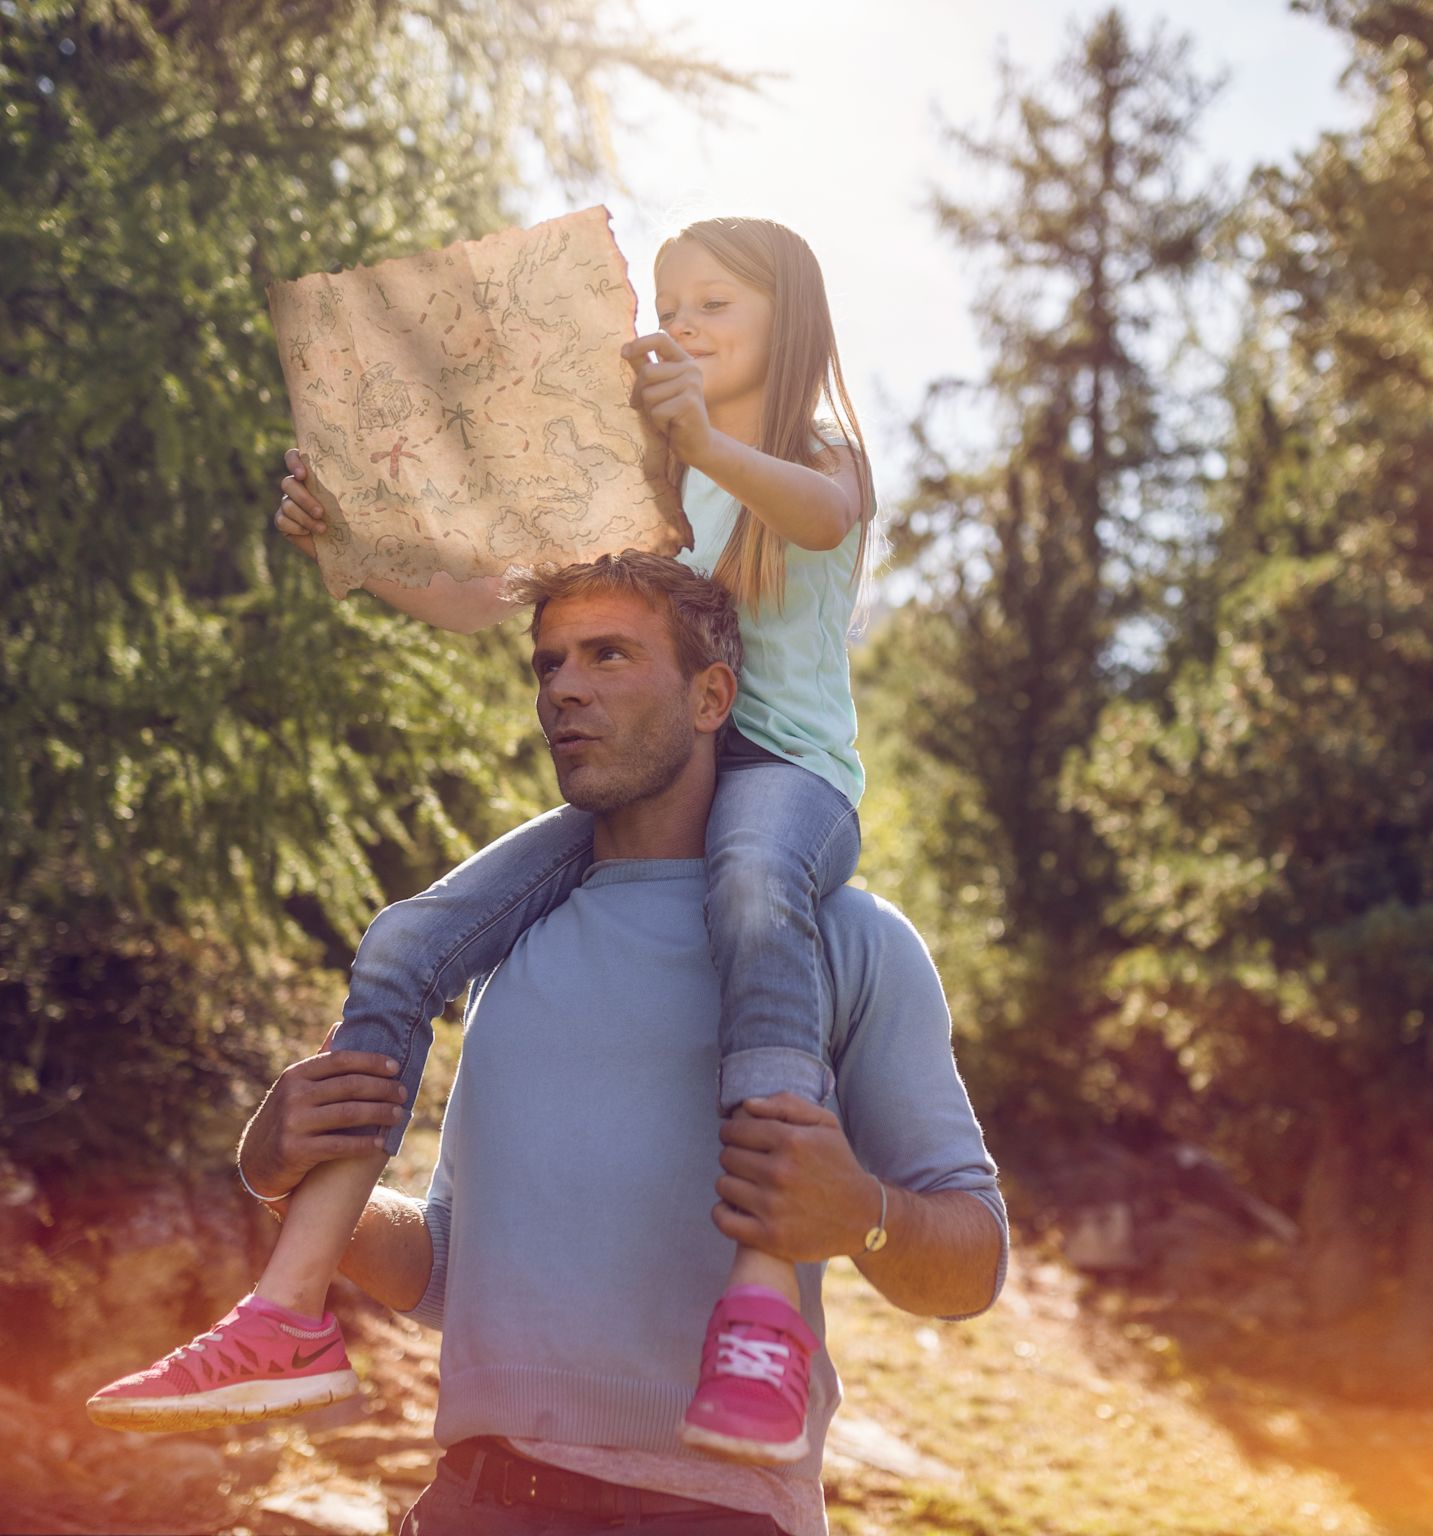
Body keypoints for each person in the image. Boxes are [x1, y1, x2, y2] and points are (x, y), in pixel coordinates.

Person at [91, 216, 881, 1462]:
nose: (682, 320)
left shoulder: (806, 453)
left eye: (716, 303)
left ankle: (763, 1315)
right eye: (670, 302)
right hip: (662, 780)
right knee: (413, 939)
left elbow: (826, 518)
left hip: (787, 785)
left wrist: (706, 439)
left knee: (747, 896)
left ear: (793, 325)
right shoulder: (651, 482)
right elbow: (487, 595)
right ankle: (287, 1315)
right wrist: (350, 541)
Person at [233, 553, 1006, 1535]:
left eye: (608, 655)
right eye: (549, 665)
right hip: (480, 1503)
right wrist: (282, 1175)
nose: (566, 690)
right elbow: (442, 1268)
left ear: (711, 696)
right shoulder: (504, 954)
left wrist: (864, 1214)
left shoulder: (848, 940)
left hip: (722, 1514)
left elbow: (973, 1264)